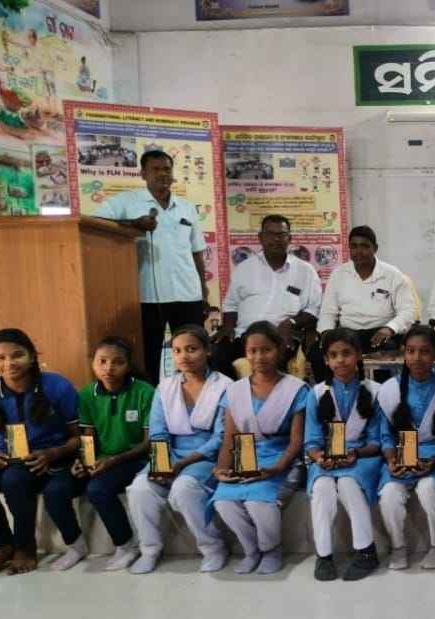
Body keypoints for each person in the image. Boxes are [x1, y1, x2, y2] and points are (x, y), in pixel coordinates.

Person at [95, 150, 208, 384]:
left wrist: (204, 291)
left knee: (193, 354)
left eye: (166, 169)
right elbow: (96, 222)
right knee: (148, 357)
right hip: (147, 296)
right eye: (155, 169)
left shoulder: (186, 207)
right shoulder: (126, 202)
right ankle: (152, 400)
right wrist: (132, 224)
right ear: (143, 174)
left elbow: (196, 252)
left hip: (188, 294)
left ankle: (194, 395)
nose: (162, 174)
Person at [126, 325, 232, 574]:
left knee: (184, 489)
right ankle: (149, 550)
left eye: (191, 349)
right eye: (177, 351)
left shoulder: (225, 386)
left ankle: (213, 548)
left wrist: (182, 465)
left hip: (207, 456)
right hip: (171, 453)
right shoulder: (165, 387)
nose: (183, 356)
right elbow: (158, 432)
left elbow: (221, 437)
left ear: (207, 351)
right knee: (139, 488)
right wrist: (162, 465)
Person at [211, 321, 312, 575]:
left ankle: (271, 551)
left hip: (283, 460)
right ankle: (251, 550)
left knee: (259, 502)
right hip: (246, 459)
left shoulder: (296, 389)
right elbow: (230, 438)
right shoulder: (235, 391)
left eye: (266, 350)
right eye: (252, 351)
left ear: (279, 350)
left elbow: (297, 441)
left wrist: (276, 468)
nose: (259, 357)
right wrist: (221, 468)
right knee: (223, 501)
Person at [0, 329, 84, 575]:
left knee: (14, 479)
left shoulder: (56, 385)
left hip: (55, 459)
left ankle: (25, 547)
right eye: (0, 358)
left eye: (17, 355)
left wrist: (54, 453)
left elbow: (80, 437)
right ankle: (3, 545)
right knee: (13, 475)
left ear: (32, 356)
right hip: (10, 459)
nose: (9, 363)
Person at [305, 328, 382, 582]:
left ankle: (366, 551)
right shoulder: (316, 393)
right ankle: (323, 555)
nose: (340, 360)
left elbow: (376, 440)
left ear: (358, 355)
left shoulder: (375, 390)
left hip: (363, 458)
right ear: (326, 360)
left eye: (346, 353)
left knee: (349, 483)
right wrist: (319, 457)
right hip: (326, 459)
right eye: (333, 355)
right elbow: (311, 440)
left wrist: (355, 453)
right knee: (322, 487)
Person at [73, 337, 156, 571]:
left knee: (97, 489)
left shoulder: (145, 391)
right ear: (93, 363)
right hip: (104, 461)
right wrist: (83, 462)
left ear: (128, 365)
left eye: (117, 362)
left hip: (136, 458)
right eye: (102, 361)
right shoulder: (86, 394)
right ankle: (74, 547)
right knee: (61, 486)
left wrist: (113, 461)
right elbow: (88, 437)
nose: (108, 368)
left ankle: (126, 544)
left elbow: (148, 442)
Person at [376, 325, 435, 571]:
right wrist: (391, 460)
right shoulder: (389, 389)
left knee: (428, 488)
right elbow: (385, 434)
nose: (417, 358)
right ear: (404, 353)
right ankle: (398, 548)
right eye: (411, 351)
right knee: (389, 493)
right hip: (402, 455)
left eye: (425, 351)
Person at [213, 214, 322, 378]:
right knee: (216, 353)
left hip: (282, 336)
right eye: (270, 234)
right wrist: (228, 326)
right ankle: (235, 393)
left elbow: (314, 309)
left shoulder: (305, 271)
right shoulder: (244, 268)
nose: (276, 239)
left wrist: (291, 323)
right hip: (244, 335)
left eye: (281, 234)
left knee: (272, 361)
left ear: (289, 238)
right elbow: (231, 304)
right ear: (260, 238)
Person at [312, 225, 417, 381]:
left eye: (365, 246)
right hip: (347, 333)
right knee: (316, 351)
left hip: (381, 334)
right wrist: (327, 334)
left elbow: (408, 311)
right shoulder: (339, 274)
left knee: (386, 355)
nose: (359, 251)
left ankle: (379, 393)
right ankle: (329, 391)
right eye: (354, 246)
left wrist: (389, 329)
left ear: (375, 248)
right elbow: (328, 311)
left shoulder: (392, 274)